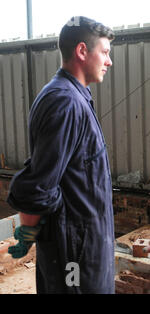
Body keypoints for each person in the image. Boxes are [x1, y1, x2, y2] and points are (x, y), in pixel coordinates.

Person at [7, 16, 115, 293]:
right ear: (81, 51)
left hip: (84, 244)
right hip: (73, 255)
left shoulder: (74, 96)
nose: (109, 61)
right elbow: (38, 186)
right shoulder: (65, 102)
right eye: (104, 52)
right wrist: (27, 237)